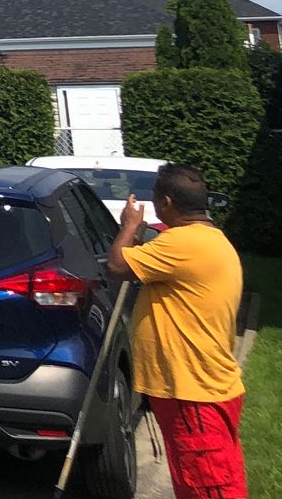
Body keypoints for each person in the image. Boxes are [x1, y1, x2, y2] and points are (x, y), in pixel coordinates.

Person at [107, 162, 245, 499]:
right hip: (194, 390)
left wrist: (128, 226)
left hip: (194, 395)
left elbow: (117, 265)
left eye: (155, 199)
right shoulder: (205, 239)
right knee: (199, 480)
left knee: (209, 487)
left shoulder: (183, 243)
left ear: (167, 202)